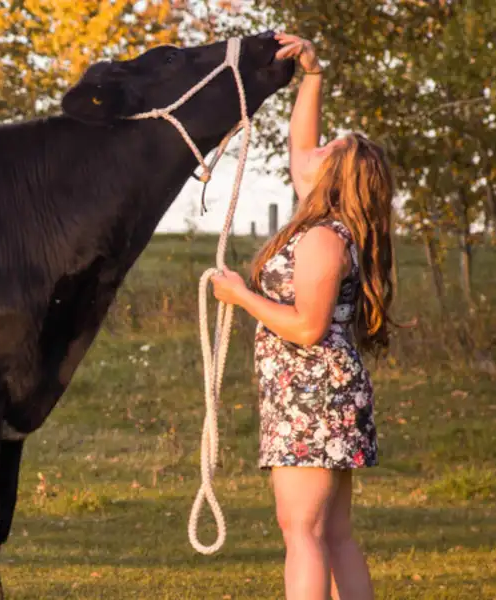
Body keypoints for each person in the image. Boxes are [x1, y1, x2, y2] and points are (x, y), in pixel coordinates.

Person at [210, 33, 396, 600]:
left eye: (327, 148)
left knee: (303, 532)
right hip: (318, 394)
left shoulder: (320, 238)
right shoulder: (323, 223)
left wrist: (242, 296)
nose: (311, 149)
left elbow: (308, 327)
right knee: (331, 533)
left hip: (311, 394)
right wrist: (311, 74)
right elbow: (299, 141)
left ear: (334, 176)